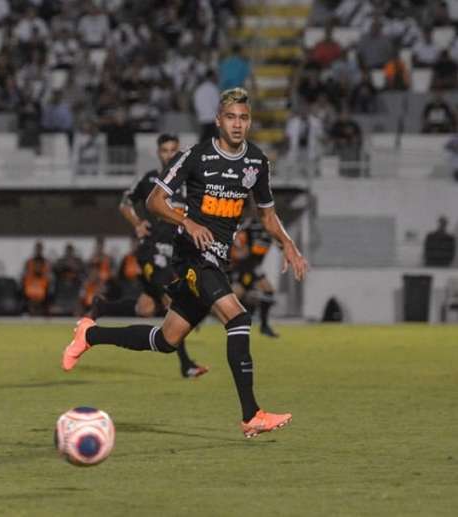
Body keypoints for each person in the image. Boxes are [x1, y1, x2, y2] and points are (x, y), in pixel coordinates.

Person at [62, 88, 309, 438]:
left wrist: (289, 244)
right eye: (231, 118)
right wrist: (188, 222)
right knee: (238, 318)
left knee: (166, 340)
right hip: (191, 255)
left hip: (216, 257)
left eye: (244, 118)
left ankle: (90, 334)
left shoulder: (257, 162)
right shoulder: (196, 157)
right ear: (218, 121)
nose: (238, 124)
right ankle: (251, 414)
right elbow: (154, 201)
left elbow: (268, 216)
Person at [91, 133, 207, 378]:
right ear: (158, 153)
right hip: (151, 251)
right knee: (172, 302)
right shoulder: (150, 180)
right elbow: (125, 203)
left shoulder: (187, 182)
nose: (168, 155)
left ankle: (103, 306)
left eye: (173, 150)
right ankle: (186, 364)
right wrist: (137, 223)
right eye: (164, 150)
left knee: (145, 308)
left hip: (174, 253)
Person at [230, 203, 279, 337]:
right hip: (247, 265)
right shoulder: (250, 225)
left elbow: (278, 242)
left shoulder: (270, 227)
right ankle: (260, 325)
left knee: (238, 294)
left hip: (253, 265)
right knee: (239, 294)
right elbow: (240, 243)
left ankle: (262, 325)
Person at [22, 241, 51, 315]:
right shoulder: (29, 262)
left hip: (42, 293)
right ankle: (29, 311)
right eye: (37, 248)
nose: (37, 267)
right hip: (31, 291)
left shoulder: (46, 263)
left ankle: (40, 312)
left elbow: (48, 279)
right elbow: (24, 277)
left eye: (40, 248)